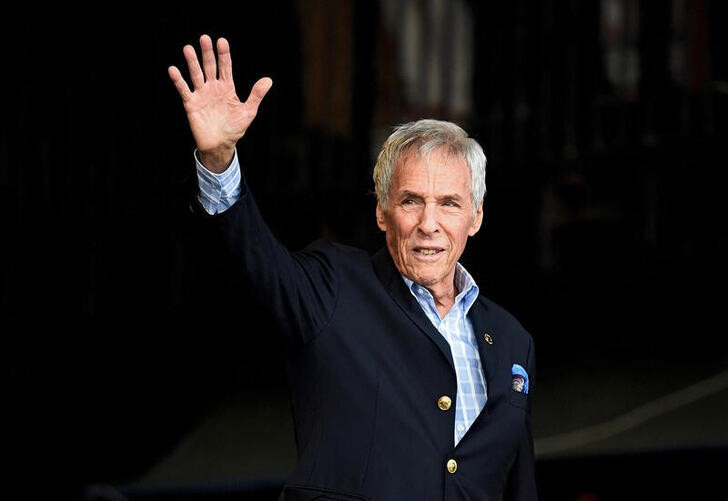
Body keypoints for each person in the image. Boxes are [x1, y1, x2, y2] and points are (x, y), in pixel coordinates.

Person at [168, 34, 538, 501]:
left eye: (449, 203)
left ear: (476, 216)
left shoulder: (511, 341)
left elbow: (517, 485)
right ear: (382, 212)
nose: (429, 224)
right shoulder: (334, 286)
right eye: (411, 201)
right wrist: (219, 162)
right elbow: (259, 267)